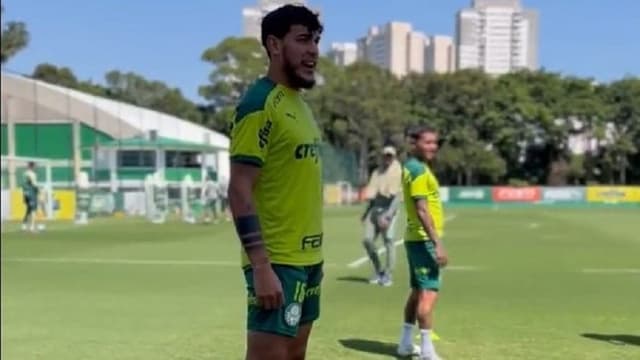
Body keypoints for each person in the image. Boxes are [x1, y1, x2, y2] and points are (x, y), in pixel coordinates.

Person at [227, 4, 324, 360]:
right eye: (302, 39)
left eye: (315, 40)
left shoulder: (299, 103)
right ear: (274, 45)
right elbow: (239, 190)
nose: (312, 49)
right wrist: (261, 265)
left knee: (296, 354)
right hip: (277, 261)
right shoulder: (259, 103)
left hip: (309, 258)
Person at [396, 126, 449, 360]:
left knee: (417, 291)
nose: (433, 147)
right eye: (427, 142)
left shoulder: (412, 167)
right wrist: (436, 242)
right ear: (414, 143)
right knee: (428, 294)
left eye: (435, 142)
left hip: (414, 238)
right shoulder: (417, 170)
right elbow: (421, 209)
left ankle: (405, 344)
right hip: (424, 239)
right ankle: (427, 350)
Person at [360, 145, 402, 286]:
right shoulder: (377, 172)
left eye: (390, 156)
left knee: (389, 240)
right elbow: (373, 194)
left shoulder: (397, 171)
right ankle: (378, 271)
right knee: (367, 240)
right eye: (386, 155)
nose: (388, 158)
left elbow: (396, 197)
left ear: (394, 157)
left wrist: (388, 215)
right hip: (375, 210)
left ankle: (388, 275)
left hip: (388, 210)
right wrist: (366, 213)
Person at [21, 161, 40, 232]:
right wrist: (39, 192)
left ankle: (24, 225)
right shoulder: (32, 174)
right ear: (32, 166)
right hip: (32, 193)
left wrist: (24, 193)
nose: (35, 167)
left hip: (25, 193)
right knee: (33, 210)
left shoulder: (24, 173)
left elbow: (23, 184)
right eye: (35, 166)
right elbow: (34, 184)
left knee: (29, 209)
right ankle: (32, 227)